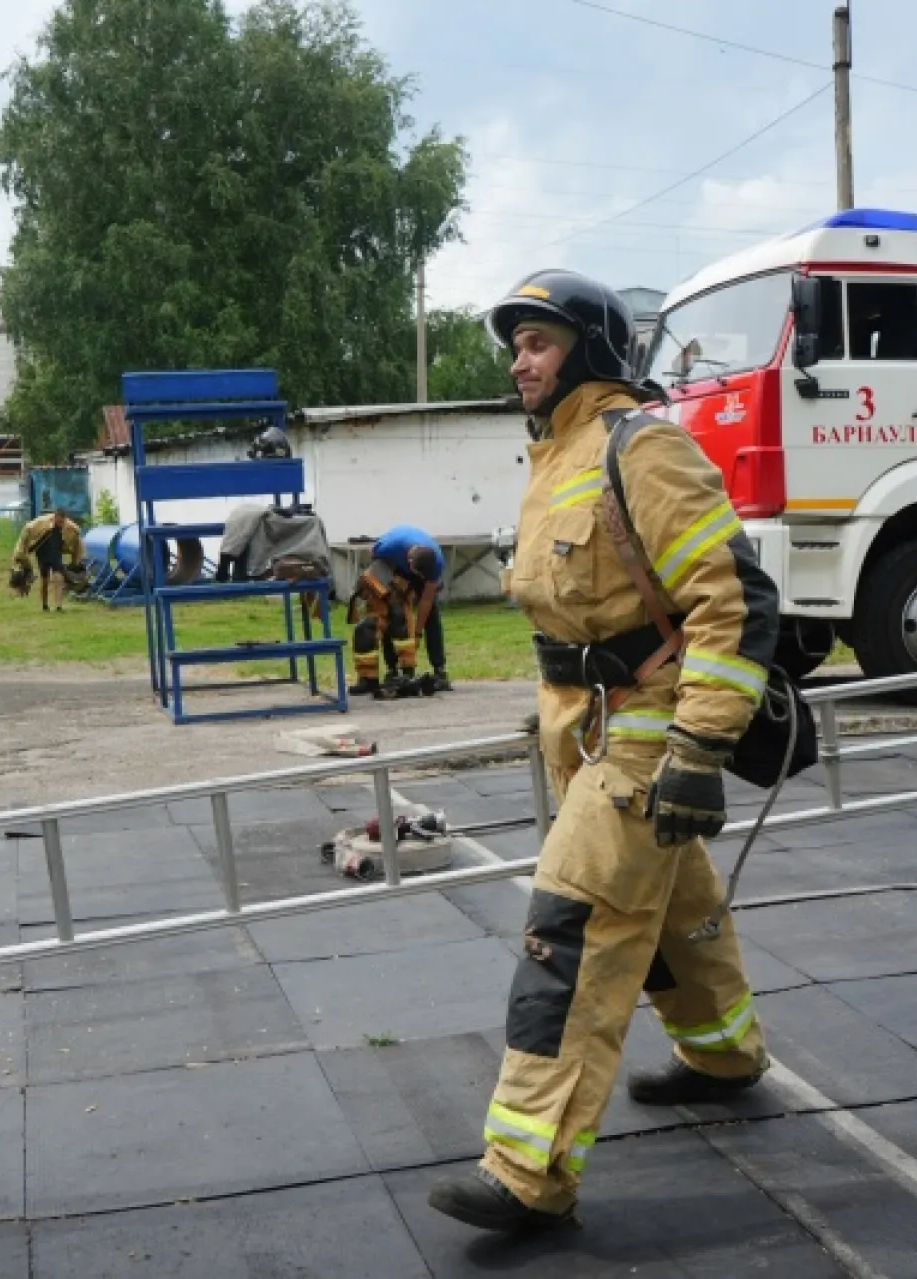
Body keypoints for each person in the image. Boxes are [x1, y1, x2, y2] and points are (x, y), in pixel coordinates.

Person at [426, 269, 782, 1233]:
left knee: (573, 931)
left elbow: (732, 600)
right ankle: (724, 1052)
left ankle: (529, 1171)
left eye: (537, 341)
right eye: (517, 344)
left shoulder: (642, 444)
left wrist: (699, 747)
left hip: (647, 726)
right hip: (585, 726)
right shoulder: (555, 455)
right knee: (672, 899)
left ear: (587, 346)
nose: (519, 359)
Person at [348, 524, 450, 697]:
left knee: (431, 614)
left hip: (414, 565)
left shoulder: (436, 562)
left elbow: (426, 600)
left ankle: (439, 670)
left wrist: (417, 633)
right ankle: (392, 669)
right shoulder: (390, 546)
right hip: (391, 565)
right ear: (410, 562)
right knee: (391, 613)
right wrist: (386, 587)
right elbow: (375, 558)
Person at [13, 507, 83, 612]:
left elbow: (77, 545)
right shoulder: (40, 523)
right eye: (59, 521)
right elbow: (26, 532)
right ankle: (45, 605)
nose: (61, 524)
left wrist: (76, 561)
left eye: (62, 522)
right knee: (45, 579)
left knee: (58, 577)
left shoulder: (71, 528)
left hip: (56, 553)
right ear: (54, 517)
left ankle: (59, 606)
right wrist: (20, 554)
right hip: (42, 552)